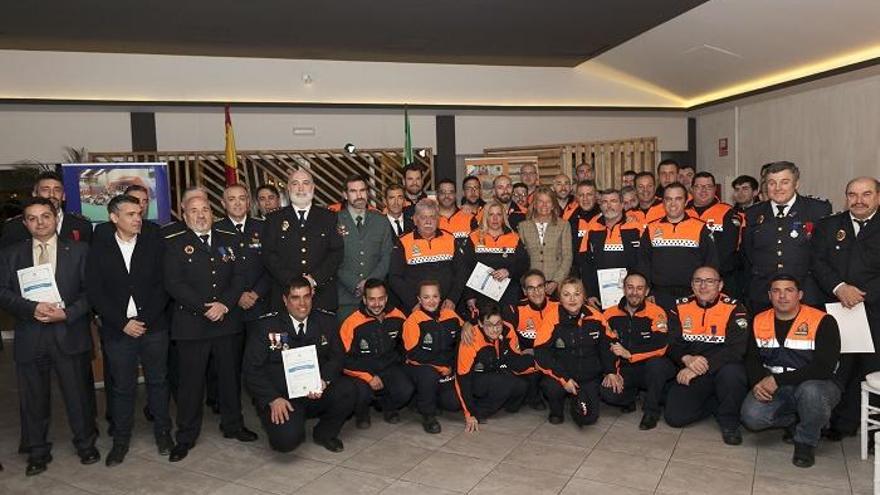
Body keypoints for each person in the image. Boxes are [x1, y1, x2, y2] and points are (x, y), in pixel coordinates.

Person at [0, 197, 99, 476]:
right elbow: (3, 292)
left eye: (45, 216)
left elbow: (91, 293)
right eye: (32, 218)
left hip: (69, 333)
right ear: (24, 223)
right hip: (31, 336)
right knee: (33, 400)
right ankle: (37, 452)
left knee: (77, 395)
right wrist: (33, 309)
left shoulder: (80, 251)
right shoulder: (11, 254)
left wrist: (66, 313)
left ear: (56, 218)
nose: (39, 223)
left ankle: (85, 445)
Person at [163, 195, 257, 462]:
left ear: (212, 213)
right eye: (194, 211)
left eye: (205, 209)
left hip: (226, 321)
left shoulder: (228, 240)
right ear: (185, 215)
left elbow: (239, 276)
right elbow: (174, 283)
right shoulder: (175, 244)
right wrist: (205, 308)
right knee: (191, 384)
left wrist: (225, 305)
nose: (201, 215)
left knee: (229, 379)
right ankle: (186, 436)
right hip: (193, 325)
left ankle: (233, 425)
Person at [86, 195, 173, 466]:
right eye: (131, 214)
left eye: (139, 213)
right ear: (114, 218)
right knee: (123, 388)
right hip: (118, 329)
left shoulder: (153, 238)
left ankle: (163, 433)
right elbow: (95, 290)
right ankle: (121, 441)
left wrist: (144, 319)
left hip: (153, 326)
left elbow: (164, 283)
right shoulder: (100, 244)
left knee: (158, 382)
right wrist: (122, 322)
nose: (138, 218)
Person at [242, 277, 357, 453]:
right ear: (285, 300)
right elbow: (251, 370)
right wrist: (272, 399)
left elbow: (337, 357)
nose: (302, 304)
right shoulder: (266, 326)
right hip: (282, 397)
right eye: (295, 298)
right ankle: (293, 422)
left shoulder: (326, 321)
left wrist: (324, 380)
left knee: (349, 389)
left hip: (316, 391)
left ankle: (325, 433)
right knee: (286, 443)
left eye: (306, 296)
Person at [740, 274, 842, 468]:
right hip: (779, 388)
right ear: (770, 295)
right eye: (777, 291)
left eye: (789, 290)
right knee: (752, 417)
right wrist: (758, 382)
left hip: (819, 385)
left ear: (800, 294)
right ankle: (800, 420)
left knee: (811, 393)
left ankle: (805, 443)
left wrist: (776, 380)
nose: (782, 296)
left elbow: (824, 368)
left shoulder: (823, 321)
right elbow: (751, 359)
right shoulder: (759, 320)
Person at [812, 177, 880, 441]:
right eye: (852, 194)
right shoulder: (829, 226)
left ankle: (874, 432)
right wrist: (840, 287)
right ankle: (839, 423)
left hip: (874, 308)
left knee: (872, 369)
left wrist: (863, 294)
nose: (858, 200)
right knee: (839, 367)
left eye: (866, 194)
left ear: (877, 197)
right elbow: (817, 261)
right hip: (836, 307)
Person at [665, 266, 750, 445]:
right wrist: (686, 359)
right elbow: (671, 343)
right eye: (698, 281)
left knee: (733, 374)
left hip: (721, 369)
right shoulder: (679, 306)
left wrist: (700, 368)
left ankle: (729, 422)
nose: (703, 286)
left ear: (720, 285)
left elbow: (736, 349)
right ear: (692, 285)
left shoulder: (735, 308)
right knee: (674, 418)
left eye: (709, 281)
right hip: (691, 366)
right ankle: (714, 404)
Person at [742, 161, 831, 311]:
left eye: (784, 182)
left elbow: (824, 254)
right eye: (772, 183)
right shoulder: (753, 213)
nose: (777, 188)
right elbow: (749, 253)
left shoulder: (817, 210)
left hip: (807, 294)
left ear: (796, 184)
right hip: (764, 295)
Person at [600, 272, 676, 430]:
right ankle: (630, 397)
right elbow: (604, 346)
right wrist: (612, 371)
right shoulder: (609, 313)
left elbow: (661, 345)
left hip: (650, 367)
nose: (634, 292)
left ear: (647, 291)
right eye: (630, 287)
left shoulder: (657, 312)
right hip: (625, 368)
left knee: (658, 366)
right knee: (607, 393)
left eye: (639, 288)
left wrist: (631, 353)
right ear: (624, 289)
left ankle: (651, 411)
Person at [263, 167, 344, 312]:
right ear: (288, 188)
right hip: (286, 296)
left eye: (306, 183)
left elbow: (336, 253)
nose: (300, 188)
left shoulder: (329, 217)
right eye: (295, 183)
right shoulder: (274, 219)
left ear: (313, 187)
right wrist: (295, 283)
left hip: (321, 296)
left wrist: (313, 280)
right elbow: (269, 256)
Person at [534, 277, 612, 426]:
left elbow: (608, 345)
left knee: (588, 420)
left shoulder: (596, 316)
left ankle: (578, 398)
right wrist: (564, 378)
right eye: (566, 294)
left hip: (589, 377)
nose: (572, 299)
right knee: (551, 387)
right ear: (560, 298)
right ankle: (556, 410)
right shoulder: (552, 317)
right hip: (562, 376)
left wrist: (611, 371)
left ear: (583, 296)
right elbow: (540, 352)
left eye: (577, 294)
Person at [339, 279, 414, 427]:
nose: (377, 304)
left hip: (389, 367)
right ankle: (362, 413)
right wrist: (368, 377)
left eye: (380, 299)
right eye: (372, 299)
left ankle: (388, 405)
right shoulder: (351, 323)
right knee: (360, 391)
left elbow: (405, 346)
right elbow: (343, 360)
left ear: (386, 298)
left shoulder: (398, 316)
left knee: (406, 390)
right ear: (365, 300)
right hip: (362, 370)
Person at [638, 182, 719, 309]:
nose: (673, 203)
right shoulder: (651, 228)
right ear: (663, 202)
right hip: (658, 296)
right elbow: (643, 263)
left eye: (678, 199)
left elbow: (710, 262)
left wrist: (704, 291)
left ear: (686, 202)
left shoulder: (700, 228)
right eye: (668, 199)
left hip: (692, 295)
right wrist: (648, 291)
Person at [455, 302, 531, 432]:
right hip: (476, 380)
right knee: (504, 382)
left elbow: (515, 358)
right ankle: (479, 412)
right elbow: (462, 378)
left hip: (498, 370)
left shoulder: (508, 329)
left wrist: (533, 361)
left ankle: (504, 404)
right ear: (480, 324)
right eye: (489, 325)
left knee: (521, 385)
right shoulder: (470, 338)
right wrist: (470, 414)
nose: (495, 329)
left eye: (498, 324)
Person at [403, 280, 463, 433]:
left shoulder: (450, 315)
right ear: (419, 299)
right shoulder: (413, 320)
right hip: (420, 366)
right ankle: (428, 415)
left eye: (435, 296)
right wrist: (440, 365)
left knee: (454, 404)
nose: (431, 301)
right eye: (426, 297)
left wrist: (468, 325)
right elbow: (413, 353)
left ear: (440, 297)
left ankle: (424, 400)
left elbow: (464, 336)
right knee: (428, 375)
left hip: (445, 368)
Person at [389, 198, 467, 313]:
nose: (428, 222)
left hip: (447, 307)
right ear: (415, 220)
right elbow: (395, 277)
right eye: (423, 217)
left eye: (432, 217)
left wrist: (453, 299)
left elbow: (462, 272)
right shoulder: (403, 242)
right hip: (416, 309)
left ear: (438, 220)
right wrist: (413, 304)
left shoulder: (450, 239)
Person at [335, 175, 394, 321]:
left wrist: (369, 283)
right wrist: (354, 283)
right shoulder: (334, 221)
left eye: (362, 190)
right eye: (353, 191)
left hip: (377, 300)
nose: (359, 195)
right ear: (345, 194)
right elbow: (331, 258)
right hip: (346, 299)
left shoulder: (381, 221)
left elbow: (387, 256)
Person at [461, 200, 530, 318]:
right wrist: (469, 296)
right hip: (480, 297)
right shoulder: (474, 237)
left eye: (498, 215)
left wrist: (509, 271)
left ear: (503, 217)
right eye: (491, 214)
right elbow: (465, 269)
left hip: (508, 295)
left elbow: (524, 264)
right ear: (485, 216)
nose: (495, 218)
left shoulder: (514, 237)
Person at [504, 269, 558, 409]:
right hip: (528, 359)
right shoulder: (515, 309)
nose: (536, 292)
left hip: (551, 356)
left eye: (540, 286)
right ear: (524, 291)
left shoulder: (558, 306)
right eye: (531, 288)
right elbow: (509, 340)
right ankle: (532, 395)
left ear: (545, 287)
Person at [216, 184, 270, 321]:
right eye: (232, 199)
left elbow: (272, 264)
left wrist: (256, 293)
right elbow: (214, 270)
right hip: (229, 307)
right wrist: (236, 295)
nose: (238, 203)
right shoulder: (215, 231)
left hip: (261, 303)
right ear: (223, 203)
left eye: (242, 198)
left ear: (248, 202)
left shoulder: (264, 228)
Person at [578, 189, 641, 306]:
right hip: (599, 298)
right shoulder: (592, 229)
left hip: (632, 296)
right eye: (605, 202)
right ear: (600, 206)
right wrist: (590, 293)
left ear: (622, 205)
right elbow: (585, 264)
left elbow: (644, 262)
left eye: (613, 201)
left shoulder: (637, 228)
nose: (609, 205)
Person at [0, 171, 92, 248]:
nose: (52, 194)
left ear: (63, 196)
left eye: (57, 190)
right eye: (45, 189)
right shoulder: (14, 227)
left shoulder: (82, 226)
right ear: (34, 194)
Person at [686, 172, 741, 292]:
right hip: (688, 278)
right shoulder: (683, 213)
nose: (703, 190)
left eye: (708, 186)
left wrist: (709, 274)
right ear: (691, 189)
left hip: (719, 278)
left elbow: (728, 249)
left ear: (715, 189)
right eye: (699, 186)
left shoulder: (727, 212)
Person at [517, 186, 572, 296]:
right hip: (532, 285)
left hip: (556, 284)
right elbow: (520, 259)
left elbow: (567, 256)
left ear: (553, 205)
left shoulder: (563, 225)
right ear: (535, 204)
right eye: (540, 202)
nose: (544, 205)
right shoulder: (523, 226)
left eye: (548, 202)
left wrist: (556, 281)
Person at [93, 184, 160, 241]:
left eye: (144, 201)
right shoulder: (102, 230)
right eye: (135, 200)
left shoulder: (155, 230)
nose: (141, 205)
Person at [565, 180, 601, 264]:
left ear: (596, 196)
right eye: (581, 195)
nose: (585, 199)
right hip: (576, 269)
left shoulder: (606, 215)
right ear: (576, 197)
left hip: (600, 267)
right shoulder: (568, 217)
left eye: (589, 194)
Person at [436, 178, 478, 245]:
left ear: (455, 195)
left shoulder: (469, 217)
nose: (447, 196)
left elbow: (477, 245)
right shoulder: (430, 219)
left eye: (451, 192)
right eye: (443, 192)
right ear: (437, 195)